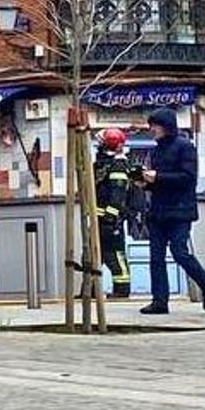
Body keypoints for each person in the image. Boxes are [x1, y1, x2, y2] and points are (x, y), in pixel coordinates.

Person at [137, 108, 205, 314]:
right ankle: (159, 301)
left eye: (155, 125)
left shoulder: (185, 147)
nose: (152, 129)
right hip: (158, 211)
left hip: (180, 210)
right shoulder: (155, 150)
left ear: (166, 126)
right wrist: (145, 183)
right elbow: (158, 181)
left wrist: (158, 177)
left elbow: (188, 178)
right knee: (156, 256)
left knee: (179, 251)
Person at [93, 128, 132, 299]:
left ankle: (122, 290)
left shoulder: (118, 165)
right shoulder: (102, 164)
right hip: (97, 218)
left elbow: (118, 194)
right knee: (93, 255)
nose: (98, 145)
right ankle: (90, 290)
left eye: (101, 142)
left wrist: (110, 217)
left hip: (109, 221)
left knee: (114, 255)